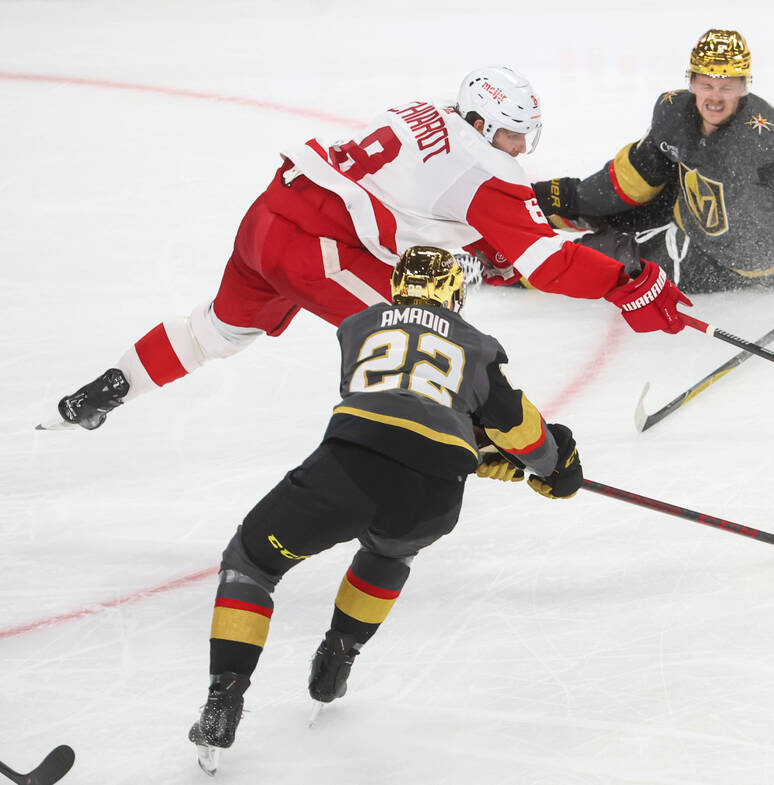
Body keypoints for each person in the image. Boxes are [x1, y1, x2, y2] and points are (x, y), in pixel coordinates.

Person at [43, 65, 691, 431]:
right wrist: (623, 281)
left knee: (217, 331)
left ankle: (111, 387)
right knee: (427, 337)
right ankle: (502, 445)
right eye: (517, 135)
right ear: (487, 127)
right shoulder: (487, 169)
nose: (523, 148)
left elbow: (431, 205)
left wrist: (508, 238)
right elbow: (540, 262)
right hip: (315, 250)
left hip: (270, 215)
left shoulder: (430, 110)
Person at [187, 246, 583, 774]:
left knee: (252, 562)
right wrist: (551, 465)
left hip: (347, 472)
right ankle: (339, 654)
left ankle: (224, 700)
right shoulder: (477, 345)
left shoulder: (357, 327)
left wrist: (479, 452)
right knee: (390, 551)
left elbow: (396, 413)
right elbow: (513, 429)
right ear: (454, 292)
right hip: (432, 498)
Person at [531, 29, 774, 311]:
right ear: (691, 82)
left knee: (600, 261)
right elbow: (637, 175)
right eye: (707, 84)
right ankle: (528, 219)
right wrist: (576, 197)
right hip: (692, 208)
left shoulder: (765, 144)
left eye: (728, 87)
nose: (715, 98)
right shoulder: (674, 113)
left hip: (737, 262)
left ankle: (505, 264)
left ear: (744, 87)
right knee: (584, 206)